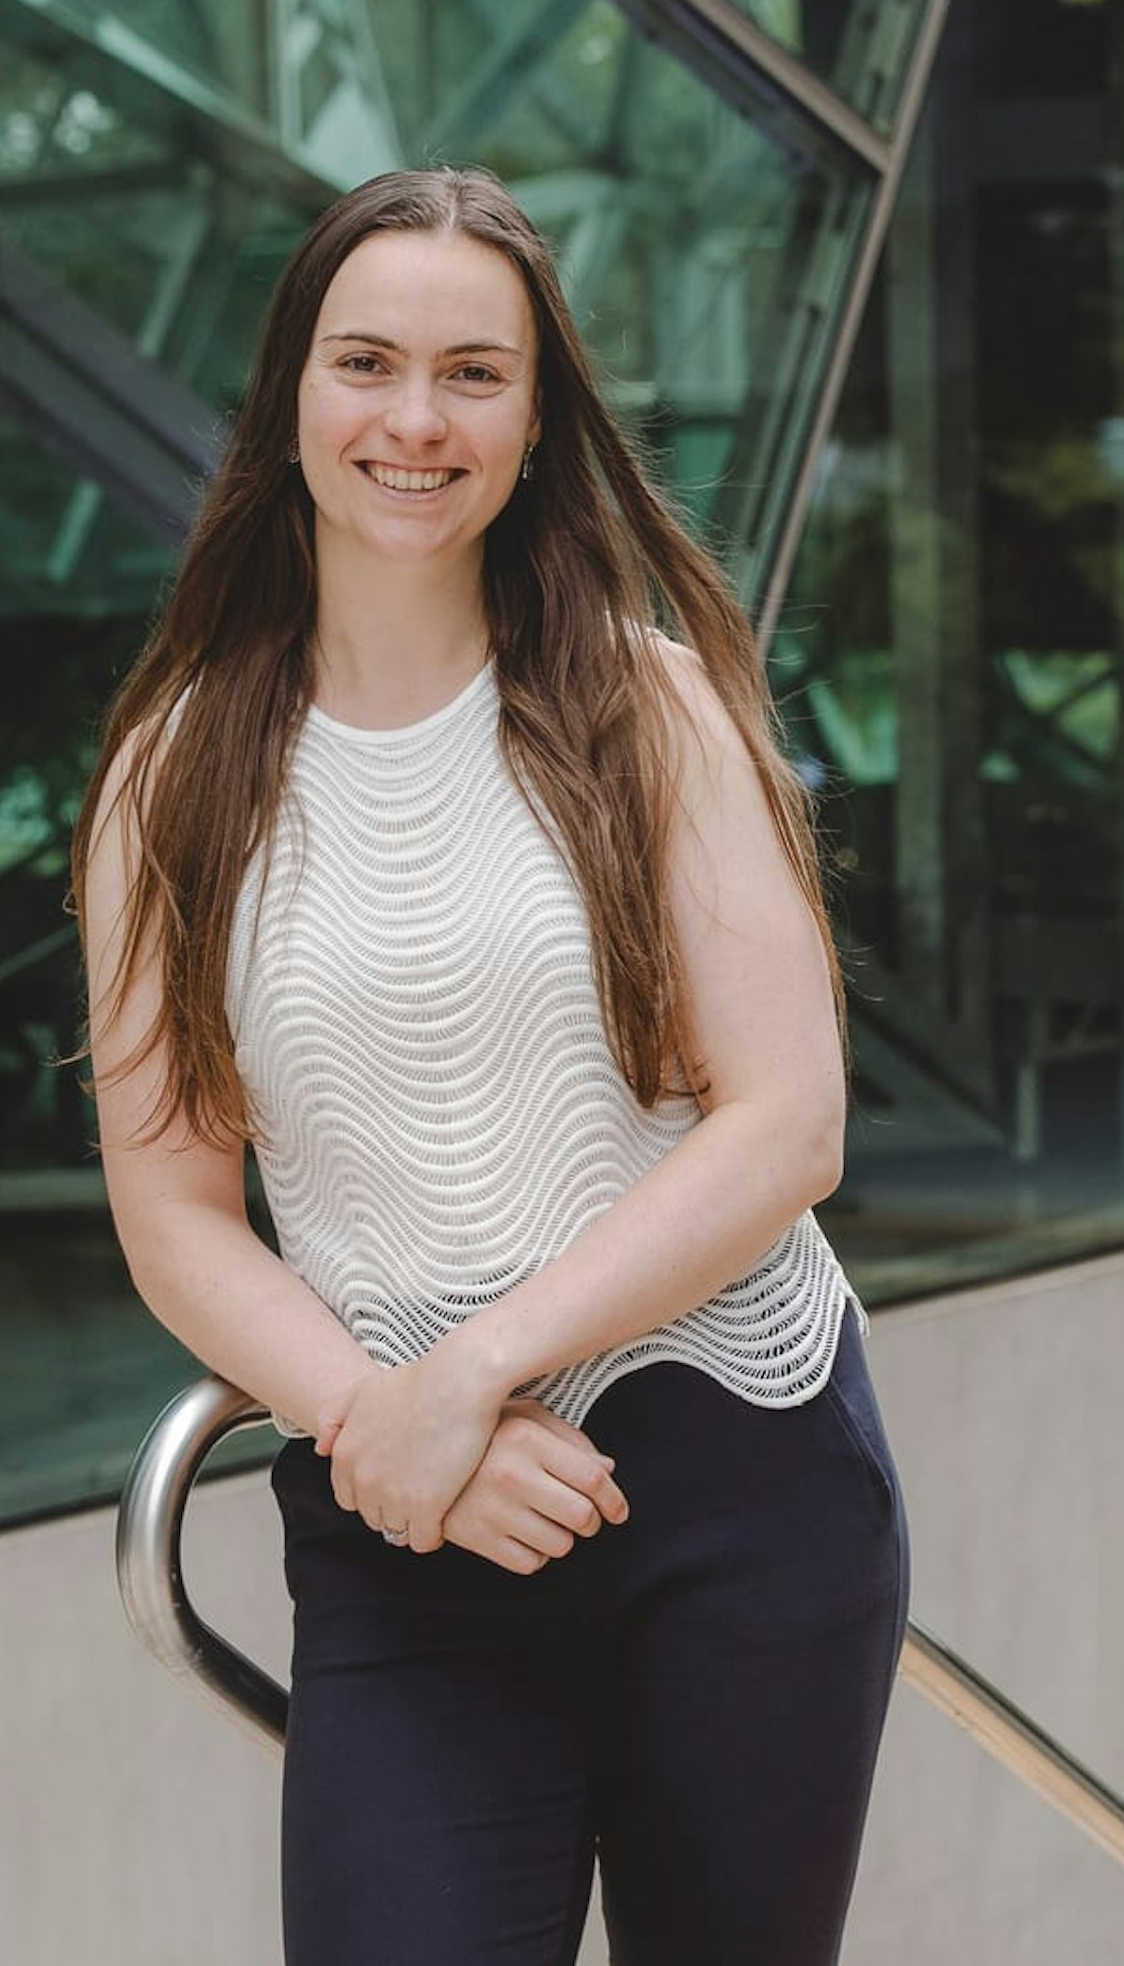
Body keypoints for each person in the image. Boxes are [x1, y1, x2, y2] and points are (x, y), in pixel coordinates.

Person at [73, 167, 910, 1963]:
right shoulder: (172, 775)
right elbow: (171, 1203)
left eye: (474, 373)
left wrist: (480, 1371)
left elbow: (789, 1121)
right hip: (405, 1527)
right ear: (293, 392)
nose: (413, 419)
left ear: (535, 423)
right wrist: (397, 1426)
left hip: (737, 1493)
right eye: (367, 360)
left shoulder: (649, 704)